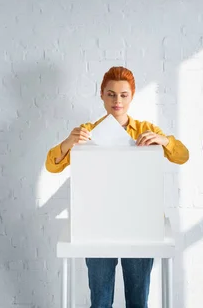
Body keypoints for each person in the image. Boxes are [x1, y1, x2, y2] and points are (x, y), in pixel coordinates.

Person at [46, 66, 189, 308]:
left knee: (138, 300)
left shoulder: (146, 130)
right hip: (98, 223)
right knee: (100, 301)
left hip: (140, 223)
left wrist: (163, 140)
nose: (117, 100)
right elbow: (52, 165)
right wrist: (70, 142)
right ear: (101, 94)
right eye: (111, 94)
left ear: (132, 96)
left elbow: (182, 156)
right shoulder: (88, 132)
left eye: (123, 95)